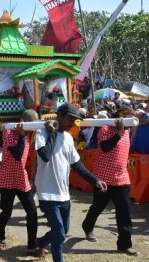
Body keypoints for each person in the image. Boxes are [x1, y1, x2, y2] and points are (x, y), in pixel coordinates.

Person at [34, 103, 107, 262]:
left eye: (75, 120)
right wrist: (52, 133)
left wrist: (95, 180)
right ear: (59, 115)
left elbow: (77, 165)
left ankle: (40, 242)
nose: (73, 123)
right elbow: (45, 155)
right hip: (47, 193)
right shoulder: (42, 133)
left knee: (63, 230)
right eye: (70, 118)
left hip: (64, 194)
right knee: (59, 233)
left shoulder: (68, 137)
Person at [81, 105, 139, 256]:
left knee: (124, 212)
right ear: (119, 116)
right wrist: (119, 132)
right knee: (98, 207)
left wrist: (123, 131)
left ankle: (124, 244)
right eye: (127, 117)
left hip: (122, 178)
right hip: (103, 178)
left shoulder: (127, 131)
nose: (130, 122)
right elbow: (105, 147)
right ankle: (88, 227)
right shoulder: (105, 128)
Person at [0, 109, 41, 256]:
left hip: (21, 179)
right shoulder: (10, 133)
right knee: (7, 211)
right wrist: (22, 135)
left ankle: (31, 246)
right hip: (8, 179)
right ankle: (0, 235)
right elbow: (17, 155)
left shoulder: (28, 135)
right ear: (22, 122)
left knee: (32, 212)